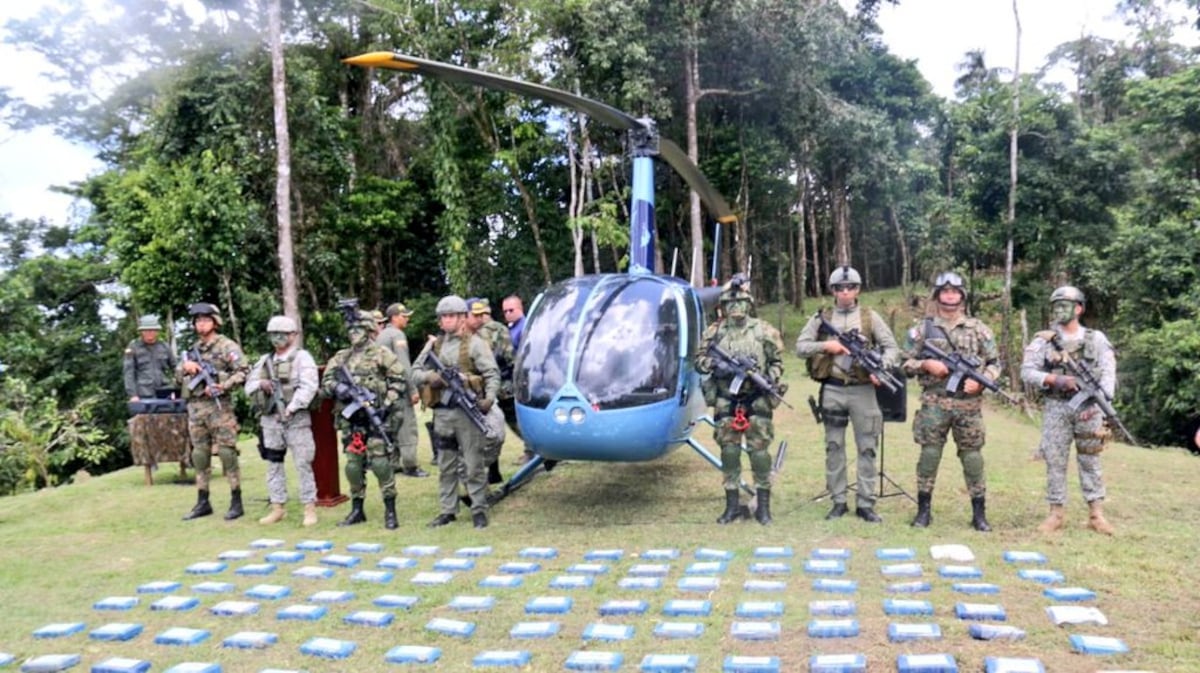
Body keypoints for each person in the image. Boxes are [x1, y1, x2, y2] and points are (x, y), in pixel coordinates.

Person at [794, 266, 900, 523]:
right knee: (834, 446)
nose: (845, 292)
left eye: (850, 287)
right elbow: (800, 347)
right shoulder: (822, 317)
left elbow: (892, 348)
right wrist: (826, 345)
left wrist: (882, 368)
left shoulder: (869, 317)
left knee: (867, 447)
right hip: (832, 388)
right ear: (833, 291)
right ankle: (838, 501)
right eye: (840, 288)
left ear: (858, 289)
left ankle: (866, 503)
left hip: (863, 390)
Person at [901, 272, 1001, 532]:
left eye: (954, 292)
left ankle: (979, 514)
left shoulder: (978, 329)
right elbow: (902, 362)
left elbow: (994, 363)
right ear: (937, 296)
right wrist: (925, 363)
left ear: (962, 296)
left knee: (972, 458)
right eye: (944, 292)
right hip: (934, 404)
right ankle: (923, 511)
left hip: (969, 407)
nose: (949, 296)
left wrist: (981, 381)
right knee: (929, 455)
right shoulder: (922, 329)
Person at [1020, 286, 1117, 535]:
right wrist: (1054, 380)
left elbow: (1108, 374)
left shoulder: (1097, 339)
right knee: (1054, 460)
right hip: (1056, 407)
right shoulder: (1044, 340)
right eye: (1056, 305)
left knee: (1091, 459)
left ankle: (1096, 513)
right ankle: (1056, 513)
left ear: (1079, 309)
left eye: (1065, 304)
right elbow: (1027, 372)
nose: (1059, 309)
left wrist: (1097, 404)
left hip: (1090, 409)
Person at [695, 275, 786, 525]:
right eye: (730, 303)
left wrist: (767, 378)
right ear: (722, 307)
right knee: (730, 452)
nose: (736, 307)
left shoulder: (764, 331)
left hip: (757, 399)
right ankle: (732, 506)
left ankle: (763, 507)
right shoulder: (714, 332)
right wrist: (716, 365)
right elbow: (699, 360)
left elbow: (778, 363)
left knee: (759, 453)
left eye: (741, 303)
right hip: (727, 398)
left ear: (750, 304)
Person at [413, 295, 501, 529]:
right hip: (442, 414)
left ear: (463, 318)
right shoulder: (435, 345)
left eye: (451, 316)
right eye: (443, 317)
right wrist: (431, 377)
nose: (446, 321)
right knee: (446, 465)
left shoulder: (475, 344)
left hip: (466, 414)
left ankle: (479, 509)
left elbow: (492, 374)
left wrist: (489, 399)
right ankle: (447, 510)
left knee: (473, 465)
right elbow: (414, 372)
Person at [321, 311, 407, 529]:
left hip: (376, 416)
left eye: (358, 330)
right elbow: (326, 381)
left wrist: (386, 404)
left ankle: (391, 510)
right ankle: (357, 510)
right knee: (353, 465)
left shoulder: (382, 353)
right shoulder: (341, 357)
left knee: (380, 463)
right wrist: (340, 388)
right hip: (352, 421)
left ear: (369, 331)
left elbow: (399, 379)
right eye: (350, 330)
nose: (354, 334)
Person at [245, 315, 320, 527]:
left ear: (293, 336)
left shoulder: (302, 358)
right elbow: (248, 386)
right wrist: (262, 383)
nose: (278, 338)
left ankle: (309, 507)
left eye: (283, 334)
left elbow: (309, 386)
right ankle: (277, 507)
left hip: (296, 419)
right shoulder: (264, 361)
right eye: (274, 334)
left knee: (303, 464)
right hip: (271, 421)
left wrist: (292, 406)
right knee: (274, 464)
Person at [178, 302, 250, 521]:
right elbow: (177, 378)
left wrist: (223, 384)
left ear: (215, 322)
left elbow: (244, 371)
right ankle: (203, 501)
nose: (201, 325)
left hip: (220, 408)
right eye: (198, 321)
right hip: (196, 408)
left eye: (206, 320)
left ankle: (236, 500)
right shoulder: (192, 350)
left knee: (227, 453)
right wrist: (185, 368)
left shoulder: (226, 346)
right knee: (199, 455)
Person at [376, 302, 428, 478]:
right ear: (394, 317)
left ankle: (393, 463)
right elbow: (403, 365)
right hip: (399, 388)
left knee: (392, 426)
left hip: (385, 390)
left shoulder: (381, 335)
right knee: (407, 426)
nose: (407, 319)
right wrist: (413, 389)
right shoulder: (397, 335)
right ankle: (410, 465)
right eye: (404, 316)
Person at [466, 298, 511, 485]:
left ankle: (490, 473)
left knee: (491, 431)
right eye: (475, 315)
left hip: (485, 388)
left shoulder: (479, 336)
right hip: (480, 389)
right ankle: (489, 474)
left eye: (480, 314)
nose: (478, 318)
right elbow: (509, 356)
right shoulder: (493, 330)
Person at [124, 314, 177, 401]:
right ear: (141, 332)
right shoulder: (133, 347)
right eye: (146, 330)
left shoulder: (164, 346)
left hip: (164, 391)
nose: (149, 333)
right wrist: (132, 395)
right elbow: (129, 373)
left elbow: (175, 367)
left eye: (152, 330)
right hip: (143, 394)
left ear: (157, 331)